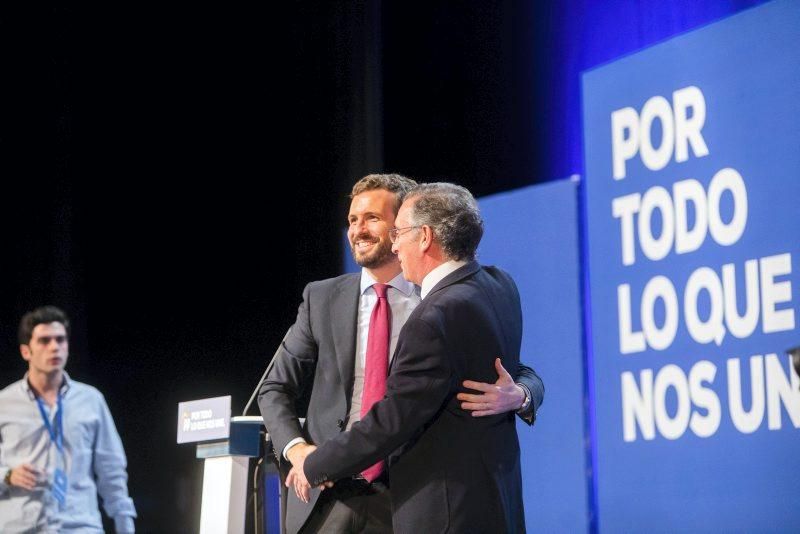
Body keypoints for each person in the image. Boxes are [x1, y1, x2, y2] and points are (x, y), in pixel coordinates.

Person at [258, 174, 543, 533]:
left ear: (411, 231)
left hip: (408, 497)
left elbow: (510, 368)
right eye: (352, 220)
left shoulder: (435, 304)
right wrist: (299, 453)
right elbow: (274, 388)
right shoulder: (322, 298)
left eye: (374, 219)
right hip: (331, 498)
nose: (359, 230)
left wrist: (521, 395)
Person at [0, 306, 136, 533]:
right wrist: (8, 475)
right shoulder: (4, 403)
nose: (54, 347)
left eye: (60, 339)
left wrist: (125, 525)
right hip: (22, 526)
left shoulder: (91, 400)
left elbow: (111, 469)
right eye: (44, 341)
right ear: (26, 351)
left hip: (79, 525)